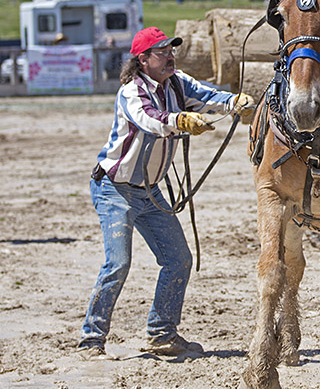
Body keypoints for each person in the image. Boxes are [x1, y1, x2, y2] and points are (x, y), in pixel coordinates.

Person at [78, 26, 254, 358]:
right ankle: (91, 337)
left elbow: (206, 95)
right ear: (143, 59)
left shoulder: (176, 82)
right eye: (163, 52)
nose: (170, 56)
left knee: (178, 260)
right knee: (118, 264)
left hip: (149, 191)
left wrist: (234, 101)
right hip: (114, 189)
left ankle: (161, 333)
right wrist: (182, 121)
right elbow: (152, 120)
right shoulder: (132, 91)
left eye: (171, 50)